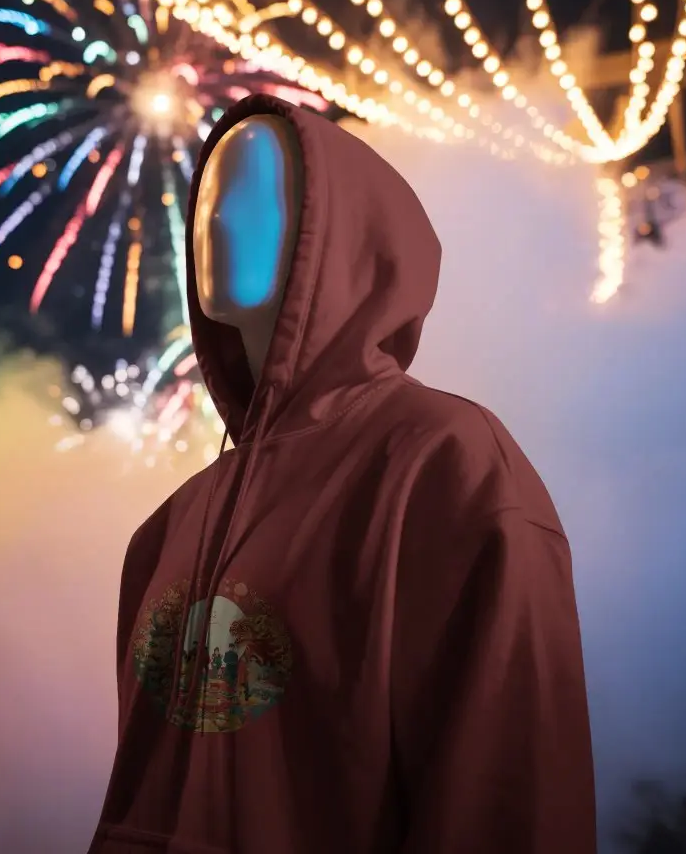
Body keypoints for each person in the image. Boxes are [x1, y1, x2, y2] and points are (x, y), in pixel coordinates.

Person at [87, 94, 596, 853]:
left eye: (255, 194)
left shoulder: (447, 466)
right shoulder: (167, 531)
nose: (216, 220)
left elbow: (508, 795)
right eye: (207, 198)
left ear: (342, 236)